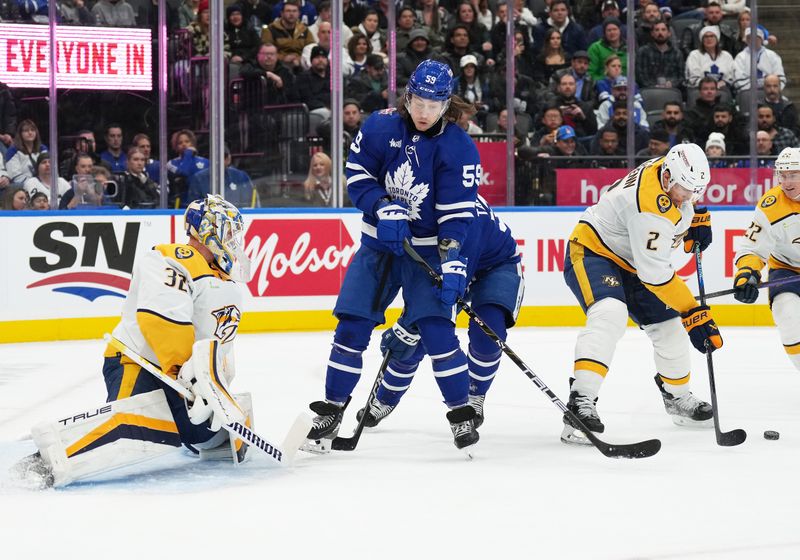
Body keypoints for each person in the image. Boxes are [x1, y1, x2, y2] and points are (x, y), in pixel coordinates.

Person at [303, 59, 483, 454]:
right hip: (378, 247)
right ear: (408, 96)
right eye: (418, 102)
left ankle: (460, 413)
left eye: (433, 105)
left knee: (437, 332)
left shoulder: (459, 147)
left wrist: (452, 257)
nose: (423, 112)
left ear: (446, 105)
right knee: (351, 327)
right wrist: (381, 205)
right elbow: (357, 174)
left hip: (424, 255)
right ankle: (332, 409)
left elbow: (456, 215)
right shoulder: (380, 125)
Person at [20, 195, 252, 488]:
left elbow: (218, 343)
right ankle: (47, 460)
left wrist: (217, 387)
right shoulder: (173, 258)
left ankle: (196, 428)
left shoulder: (226, 283)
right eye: (230, 231)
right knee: (135, 429)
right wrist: (190, 377)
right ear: (208, 230)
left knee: (201, 432)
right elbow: (162, 319)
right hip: (140, 363)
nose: (234, 240)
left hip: (186, 379)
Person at [561, 143, 722, 445]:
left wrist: (692, 219)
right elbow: (656, 274)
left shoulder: (669, 167)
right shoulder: (648, 206)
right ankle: (580, 402)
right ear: (667, 179)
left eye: (695, 191)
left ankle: (677, 397)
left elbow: (679, 206)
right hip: (594, 250)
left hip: (633, 257)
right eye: (685, 190)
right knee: (610, 313)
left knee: (669, 328)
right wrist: (692, 312)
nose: (689, 196)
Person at [357, 195, 523, 429]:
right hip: (448, 264)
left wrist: (408, 325)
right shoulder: (421, 201)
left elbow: (454, 285)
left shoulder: (464, 215)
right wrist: (413, 322)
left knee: (487, 332)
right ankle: (385, 397)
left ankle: (474, 396)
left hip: (496, 265)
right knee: (423, 330)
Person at [733, 148, 800, 375]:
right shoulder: (771, 205)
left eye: (793, 175)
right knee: (787, 315)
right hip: (787, 268)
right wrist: (747, 273)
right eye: (782, 174)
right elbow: (752, 247)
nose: (786, 182)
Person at [188, 147, 258, 208]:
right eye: (215, 157)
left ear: (228, 159)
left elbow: (250, 203)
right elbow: (194, 205)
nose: (218, 161)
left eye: (223, 157)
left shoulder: (241, 176)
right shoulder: (198, 178)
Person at [732, 27, 786, 92]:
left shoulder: (772, 55)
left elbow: (780, 77)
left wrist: (770, 88)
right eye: (749, 38)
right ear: (746, 40)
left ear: (761, 39)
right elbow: (739, 79)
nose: (753, 40)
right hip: (747, 92)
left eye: (756, 38)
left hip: (771, 91)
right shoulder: (740, 57)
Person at [166, 129, 209, 207]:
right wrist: (188, 154)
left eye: (187, 141)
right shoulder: (171, 164)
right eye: (180, 143)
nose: (184, 144)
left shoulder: (205, 162)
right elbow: (184, 172)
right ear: (175, 146)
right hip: (181, 204)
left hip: (203, 203)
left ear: (192, 143)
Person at [685, 26, 735, 91]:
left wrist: (724, 82)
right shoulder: (694, 55)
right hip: (699, 89)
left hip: (722, 89)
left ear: (717, 39)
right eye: (706, 37)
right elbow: (693, 78)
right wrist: (711, 86)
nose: (709, 39)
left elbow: (731, 77)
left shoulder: (726, 56)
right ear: (702, 40)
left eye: (712, 36)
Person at [5, 119, 47, 185]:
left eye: (32, 130)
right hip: (22, 186)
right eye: (26, 131)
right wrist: (35, 184)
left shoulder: (42, 148)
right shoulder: (13, 150)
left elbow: (49, 169)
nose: (30, 133)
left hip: (44, 183)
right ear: (20, 134)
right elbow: (15, 177)